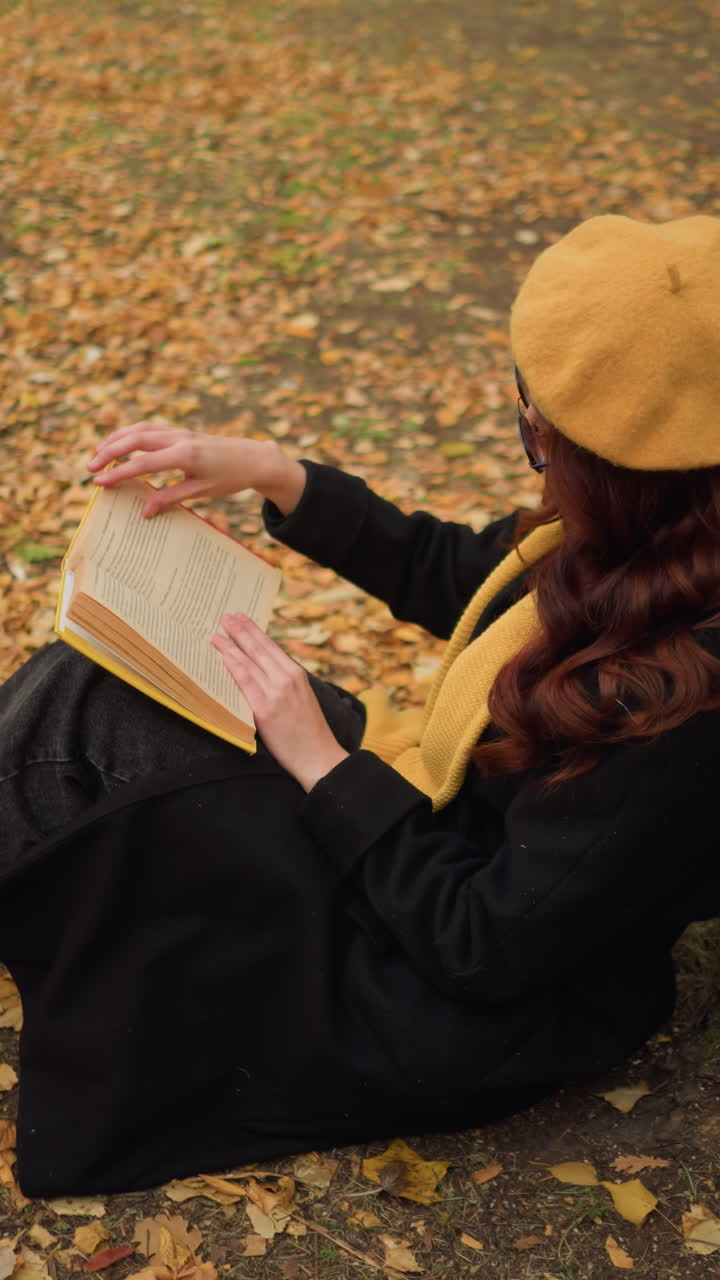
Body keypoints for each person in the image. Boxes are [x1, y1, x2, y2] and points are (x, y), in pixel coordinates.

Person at [2, 213, 720, 1198]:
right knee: (93, 687)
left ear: (624, 468)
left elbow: (486, 944)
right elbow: (465, 578)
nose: (532, 441)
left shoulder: (681, 708)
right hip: (434, 841)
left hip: (449, 993)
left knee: (132, 764)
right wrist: (276, 472)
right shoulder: (651, 542)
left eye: (539, 426)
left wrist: (324, 766)